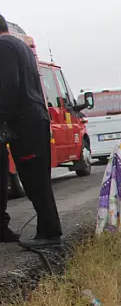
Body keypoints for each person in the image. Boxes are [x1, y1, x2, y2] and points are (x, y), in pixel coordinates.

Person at [0, 12, 63, 249]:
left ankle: (50, 233)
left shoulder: (3, 47)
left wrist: (1, 116)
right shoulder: (21, 46)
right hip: (34, 119)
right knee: (37, 179)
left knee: (34, 180)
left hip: (24, 124)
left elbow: (8, 85)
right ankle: (46, 231)